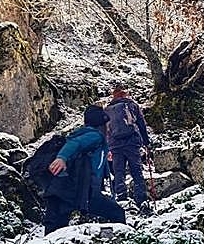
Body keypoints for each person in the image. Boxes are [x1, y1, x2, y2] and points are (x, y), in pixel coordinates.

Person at [43, 105, 125, 235]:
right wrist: (61, 158)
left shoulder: (91, 137)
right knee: (117, 213)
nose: (109, 127)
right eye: (107, 123)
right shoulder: (95, 136)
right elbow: (76, 144)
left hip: (65, 189)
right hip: (81, 190)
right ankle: (118, 242)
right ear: (101, 123)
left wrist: (105, 154)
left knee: (55, 227)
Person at [106, 83, 152, 213]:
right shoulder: (132, 105)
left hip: (115, 146)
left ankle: (121, 198)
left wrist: (108, 147)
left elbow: (106, 130)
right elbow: (141, 124)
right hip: (132, 143)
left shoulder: (108, 109)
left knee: (118, 172)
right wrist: (146, 143)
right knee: (136, 171)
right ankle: (141, 199)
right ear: (125, 94)